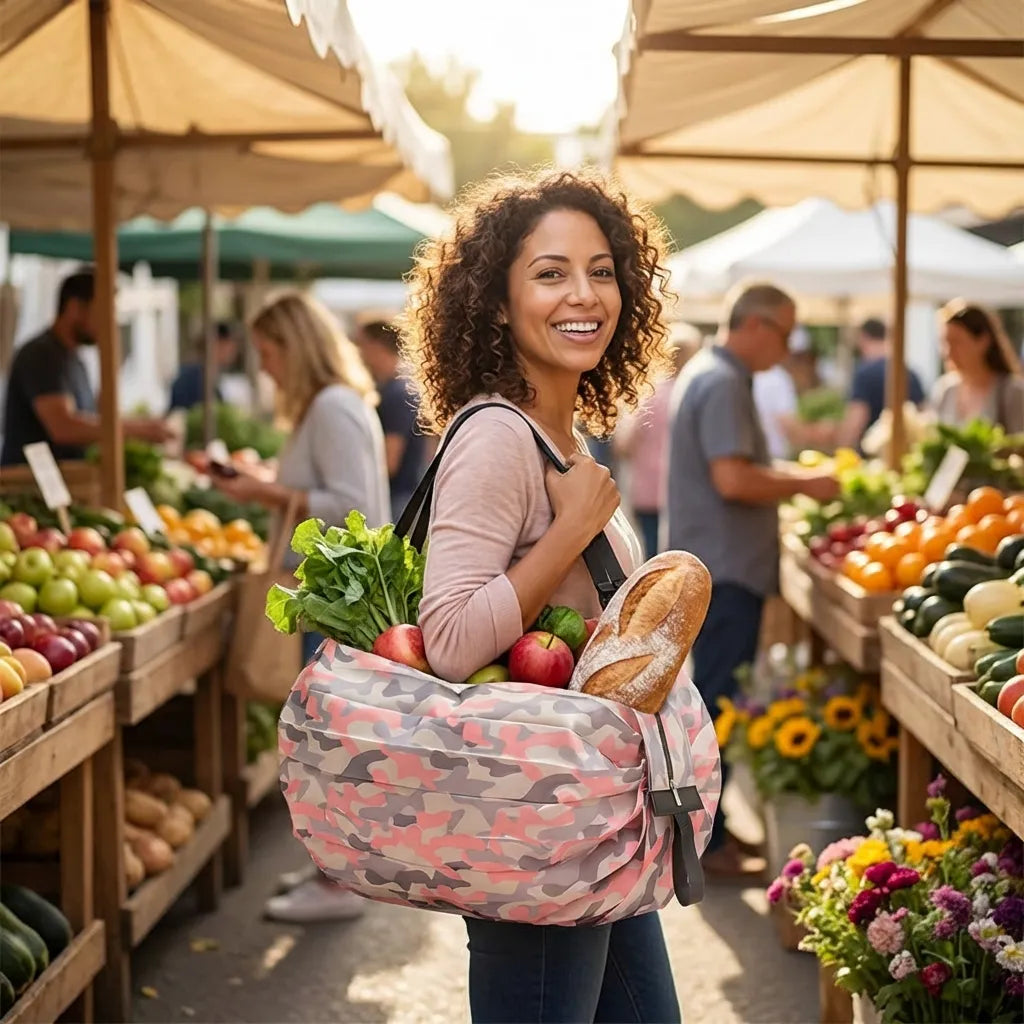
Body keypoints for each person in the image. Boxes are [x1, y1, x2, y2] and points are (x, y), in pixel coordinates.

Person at [402, 168, 680, 1023]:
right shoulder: (495, 435)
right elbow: (448, 639)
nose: (584, 294)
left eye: (602, 271)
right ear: (495, 301)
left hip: (586, 821)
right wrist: (569, 531)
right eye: (550, 273)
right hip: (535, 821)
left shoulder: (562, 435)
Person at [208, 291, 389, 924]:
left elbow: (353, 503)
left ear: (295, 346)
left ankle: (338, 884)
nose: (264, 367)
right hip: (333, 599)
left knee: (329, 743)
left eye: (268, 352)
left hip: (341, 604)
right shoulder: (332, 404)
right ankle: (332, 870)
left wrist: (265, 489)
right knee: (326, 740)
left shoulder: (333, 407)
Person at [665, 283, 840, 879]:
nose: (789, 347)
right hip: (725, 572)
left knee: (713, 700)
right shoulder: (722, 382)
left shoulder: (716, 374)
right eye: (786, 332)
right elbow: (734, 481)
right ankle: (705, 844)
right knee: (716, 705)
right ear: (757, 325)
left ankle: (707, 832)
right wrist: (805, 484)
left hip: (718, 567)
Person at [1, 268, 173, 465]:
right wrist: (139, 430)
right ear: (75, 308)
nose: (110, 322)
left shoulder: (75, 361)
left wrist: (112, 366)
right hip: (30, 486)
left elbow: (95, 419)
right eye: (103, 311)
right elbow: (64, 427)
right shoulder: (41, 355)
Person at [613, 321, 701, 558]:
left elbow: (624, 444)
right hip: (684, 492)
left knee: (654, 557)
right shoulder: (693, 393)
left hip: (647, 490)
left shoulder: (649, 393)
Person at [353, 318, 427, 517]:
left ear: (376, 346)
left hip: (397, 501)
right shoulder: (394, 387)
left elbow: (389, 461)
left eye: (361, 344)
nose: (357, 353)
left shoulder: (397, 393)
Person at [931, 300, 1024, 432]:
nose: (948, 352)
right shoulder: (945, 390)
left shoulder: (1011, 393)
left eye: (957, 342)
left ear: (983, 341)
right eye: (944, 343)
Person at [836, 317, 925, 449]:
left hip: (873, 455)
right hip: (908, 453)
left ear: (863, 337)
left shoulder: (864, 374)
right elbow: (923, 415)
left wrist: (841, 449)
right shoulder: (909, 373)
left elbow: (857, 418)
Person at [167, 322, 239, 412]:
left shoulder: (208, 375)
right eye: (229, 346)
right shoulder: (194, 377)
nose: (232, 351)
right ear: (215, 344)